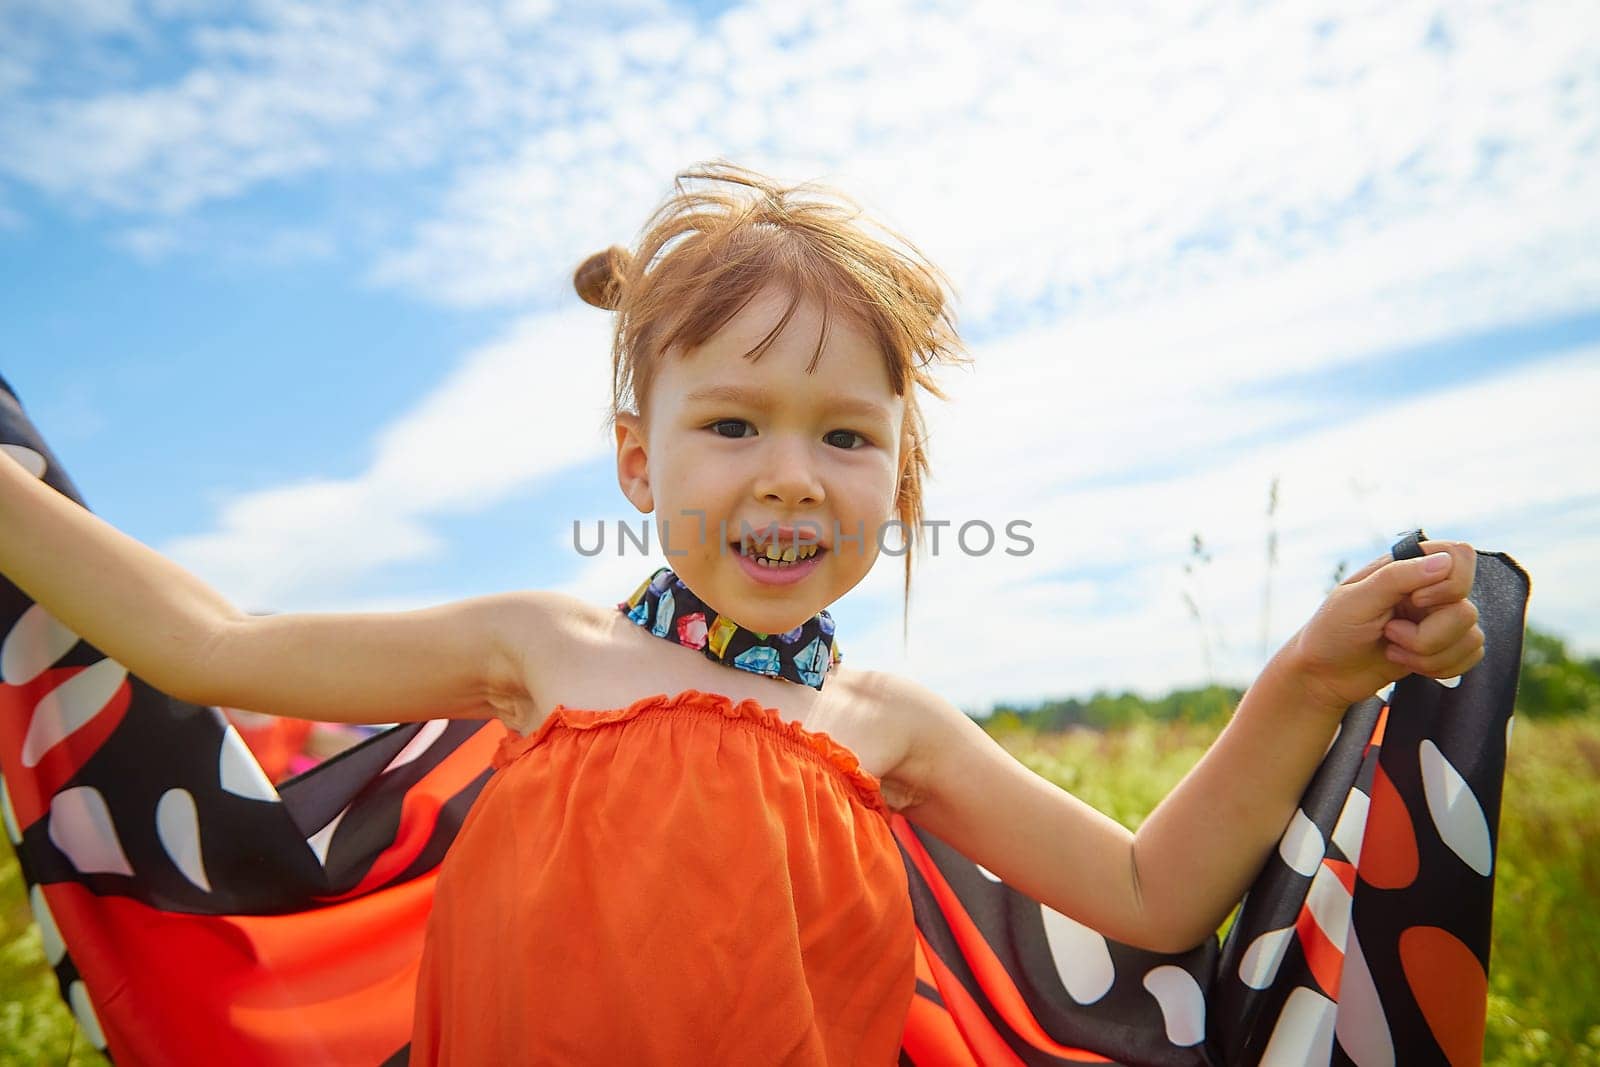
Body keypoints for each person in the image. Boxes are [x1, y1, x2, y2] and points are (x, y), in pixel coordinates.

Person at [0, 163, 1485, 1064]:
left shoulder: (886, 728)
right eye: (733, 426)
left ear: (900, 482)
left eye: (845, 437)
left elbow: (1158, 896)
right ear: (639, 458)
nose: (792, 474)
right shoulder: (543, 650)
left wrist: (1306, 674)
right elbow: (214, 645)